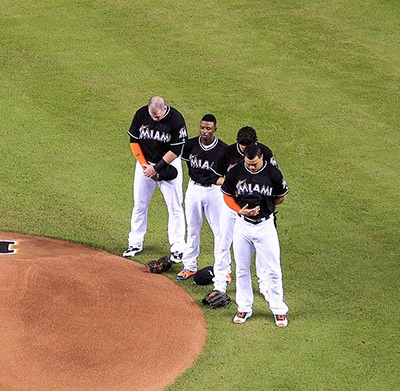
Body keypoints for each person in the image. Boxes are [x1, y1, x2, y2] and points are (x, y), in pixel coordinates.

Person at [222, 143, 290, 327]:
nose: (251, 167)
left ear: (262, 158)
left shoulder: (273, 173)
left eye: (254, 163)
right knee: (242, 269)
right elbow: (227, 195)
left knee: (273, 269)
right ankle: (244, 307)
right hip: (242, 226)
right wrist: (240, 211)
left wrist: (267, 207)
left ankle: (278, 309)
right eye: (248, 163)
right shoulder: (236, 171)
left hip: (265, 226)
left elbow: (281, 196)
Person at [122, 95, 188, 262]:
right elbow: (134, 141)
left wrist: (156, 168)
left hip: (168, 163)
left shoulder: (176, 119)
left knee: (175, 207)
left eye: (157, 116)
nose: (154, 118)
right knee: (139, 204)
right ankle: (135, 243)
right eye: (152, 115)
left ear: (164, 109)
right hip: (145, 165)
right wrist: (145, 165)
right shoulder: (141, 114)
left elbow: (176, 150)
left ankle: (178, 247)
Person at [178, 114, 234, 289]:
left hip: (214, 192)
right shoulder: (191, 145)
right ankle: (189, 266)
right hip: (194, 188)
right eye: (202, 127)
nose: (204, 131)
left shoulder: (224, 150)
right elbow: (186, 163)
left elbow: (229, 176)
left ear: (215, 129)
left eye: (208, 128)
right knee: (193, 228)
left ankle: (224, 270)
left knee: (220, 232)